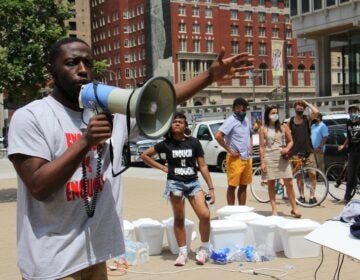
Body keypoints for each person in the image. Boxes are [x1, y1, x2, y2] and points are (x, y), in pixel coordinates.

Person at [7, 37, 253, 280]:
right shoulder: (31, 117)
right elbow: (38, 185)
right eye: (72, 63)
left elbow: (160, 101)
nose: (82, 70)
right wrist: (85, 142)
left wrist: (209, 76)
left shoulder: (109, 113)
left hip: (94, 258)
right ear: (51, 70)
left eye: (88, 63)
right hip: (51, 264)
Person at [140, 112, 215, 266]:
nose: (177, 123)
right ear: (170, 126)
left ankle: (204, 248)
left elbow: (202, 166)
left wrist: (211, 187)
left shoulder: (194, 142)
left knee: (205, 215)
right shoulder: (166, 144)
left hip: (193, 183)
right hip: (175, 184)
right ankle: (182, 252)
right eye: (174, 121)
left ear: (185, 125)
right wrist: (162, 167)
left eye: (180, 121)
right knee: (179, 218)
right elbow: (145, 155)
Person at [259, 105, 301, 217]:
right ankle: (274, 210)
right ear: (267, 115)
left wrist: (286, 149)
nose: (275, 115)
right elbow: (262, 147)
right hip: (269, 157)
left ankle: (294, 208)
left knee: (289, 183)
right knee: (271, 183)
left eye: (276, 112)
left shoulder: (283, 126)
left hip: (282, 157)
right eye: (272, 113)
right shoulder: (263, 128)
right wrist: (262, 162)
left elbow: (291, 141)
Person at [215, 97, 253, 205]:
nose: (244, 110)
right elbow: (218, 136)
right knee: (232, 186)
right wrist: (230, 151)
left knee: (244, 185)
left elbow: (249, 134)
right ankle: (231, 211)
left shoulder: (246, 120)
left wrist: (250, 148)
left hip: (246, 158)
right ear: (235, 108)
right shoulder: (230, 121)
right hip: (235, 159)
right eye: (242, 108)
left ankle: (241, 210)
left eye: (245, 108)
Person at [288, 100, 319, 205]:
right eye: (298, 107)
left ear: (304, 109)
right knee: (299, 176)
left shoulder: (307, 119)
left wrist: (307, 103)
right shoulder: (291, 121)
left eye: (302, 107)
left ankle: (312, 196)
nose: (300, 109)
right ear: (294, 108)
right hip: (295, 152)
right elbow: (286, 135)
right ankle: (301, 196)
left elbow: (316, 112)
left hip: (308, 151)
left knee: (312, 173)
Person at [338, 105, 360, 204]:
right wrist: (343, 145)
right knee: (350, 175)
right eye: (350, 111)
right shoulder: (348, 123)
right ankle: (346, 198)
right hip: (353, 151)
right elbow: (349, 137)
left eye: (354, 111)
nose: (352, 113)